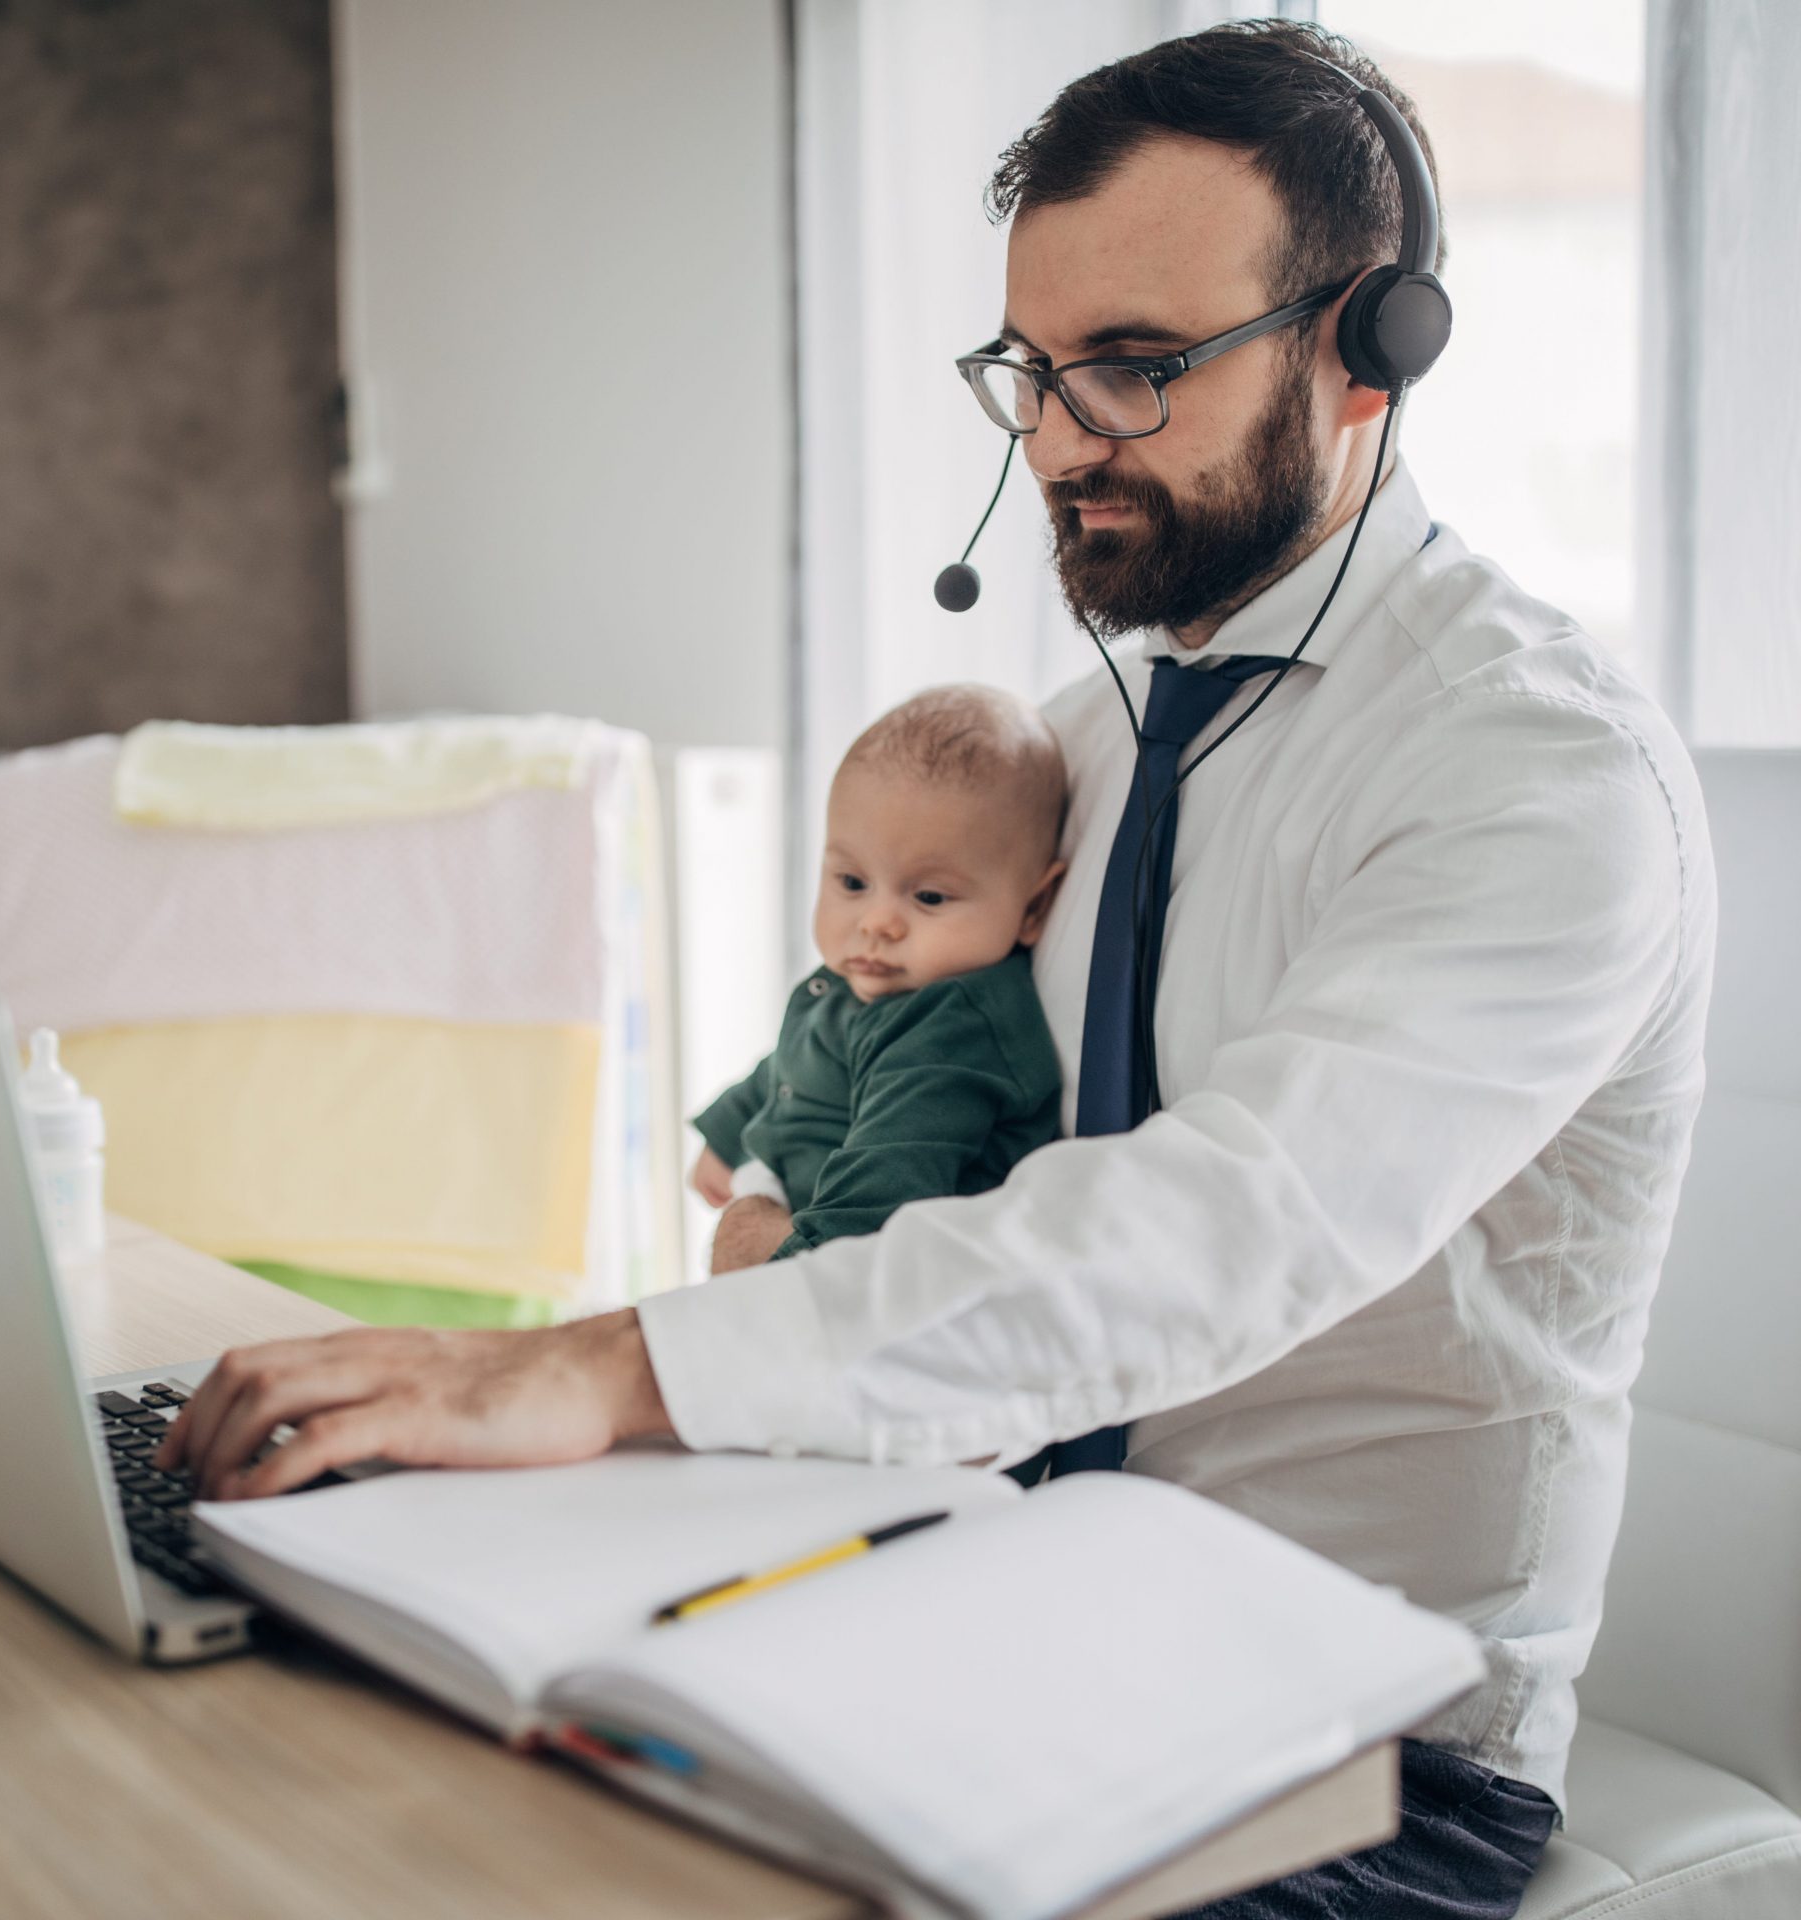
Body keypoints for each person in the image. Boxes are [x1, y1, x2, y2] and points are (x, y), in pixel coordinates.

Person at [161, 23, 1715, 1917]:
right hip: (986, 1594)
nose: (1063, 446)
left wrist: (599, 1371)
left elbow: (1217, 1230)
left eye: (1136, 371)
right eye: (1033, 373)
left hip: (1354, 1753)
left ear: (1371, 347)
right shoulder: (1089, 739)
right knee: (338, 1766)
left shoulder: (1533, 772)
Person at [689, 684, 1066, 1266]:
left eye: (930, 896)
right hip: (791, 1212)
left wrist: (782, 1269)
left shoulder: (948, 1033)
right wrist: (727, 1132)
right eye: (851, 883)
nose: (877, 923)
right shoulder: (866, 982)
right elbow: (793, 1065)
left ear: (1034, 908)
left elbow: (878, 1201)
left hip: (861, 1279)